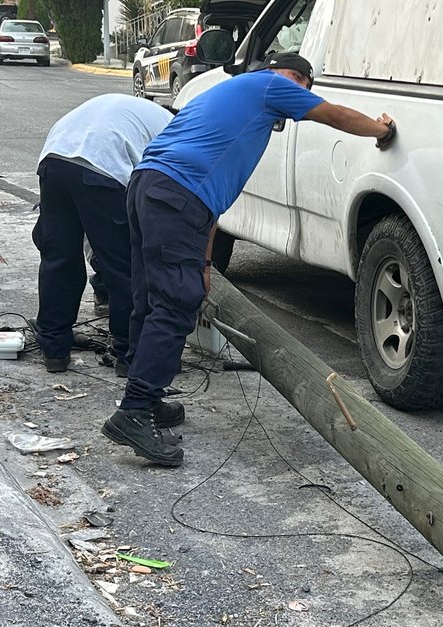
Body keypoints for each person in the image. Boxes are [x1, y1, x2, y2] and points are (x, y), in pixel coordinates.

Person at [102, 52, 397, 467]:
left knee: (152, 297)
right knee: (174, 302)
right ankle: (133, 410)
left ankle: (144, 395)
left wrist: (205, 266)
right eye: (303, 90)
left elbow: (212, 207)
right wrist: (380, 130)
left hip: (150, 187)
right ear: (299, 81)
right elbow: (333, 115)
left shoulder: (231, 98)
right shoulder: (272, 86)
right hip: (177, 196)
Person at [33, 93, 173, 374]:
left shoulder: (130, 108)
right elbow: (161, 191)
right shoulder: (171, 126)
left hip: (54, 162)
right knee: (123, 268)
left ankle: (54, 348)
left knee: (59, 259)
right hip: (103, 167)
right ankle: (128, 354)